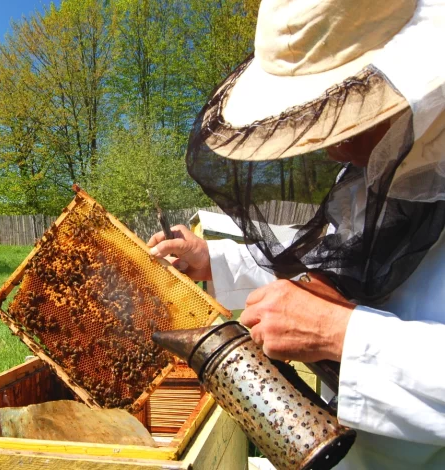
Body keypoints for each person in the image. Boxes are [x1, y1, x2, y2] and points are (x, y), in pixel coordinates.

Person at [148, 0, 445, 468]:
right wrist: (215, 259)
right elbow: (334, 253)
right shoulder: (391, 165)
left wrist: (342, 335)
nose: (331, 148)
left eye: (348, 108)